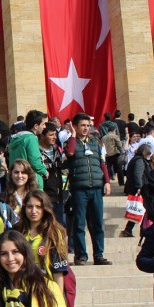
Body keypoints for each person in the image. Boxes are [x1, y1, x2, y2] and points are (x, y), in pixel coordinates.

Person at [64, 113, 111, 266]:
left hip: (96, 187)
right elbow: (70, 153)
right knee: (79, 224)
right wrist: (72, 135)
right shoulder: (70, 142)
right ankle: (81, 256)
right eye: (82, 125)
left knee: (97, 223)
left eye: (88, 126)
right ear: (75, 126)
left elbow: (102, 162)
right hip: (79, 188)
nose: (86, 128)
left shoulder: (94, 142)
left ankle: (99, 255)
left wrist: (107, 181)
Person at [17, 191, 69, 293]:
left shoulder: (54, 233)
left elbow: (59, 270)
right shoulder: (17, 230)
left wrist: (58, 296)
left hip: (46, 288)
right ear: (24, 208)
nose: (33, 211)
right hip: (21, 288)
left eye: (38, 207)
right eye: (29, 207)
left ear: (45, 208)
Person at [7, 110, 48, 190]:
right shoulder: (31, 138)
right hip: (31, 182)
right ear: (36, 126)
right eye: (43, 124)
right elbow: (35, 162)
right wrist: (44, 171)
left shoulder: (15, 139)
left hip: (17, 181)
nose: (44, 127)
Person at [120, 144, 152, 238]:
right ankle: (130, 230)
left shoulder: (135, 159)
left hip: (135, 187)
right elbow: (138, 174)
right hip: (139, 189)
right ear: (144, 152)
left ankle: (129, 229)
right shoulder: (139, 161)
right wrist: (139, 187)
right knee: (139, 210)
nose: (149, 155)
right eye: (148, 153)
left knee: (137, 210)